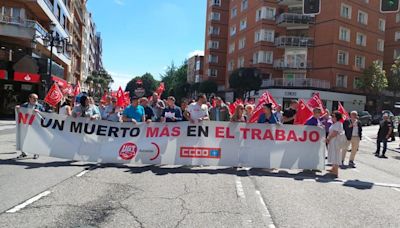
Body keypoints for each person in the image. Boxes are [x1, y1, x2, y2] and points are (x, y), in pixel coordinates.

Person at [326, 111, 344, 178]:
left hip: (335, 141)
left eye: (333, 116)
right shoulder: (335, 123)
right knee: (333, 154)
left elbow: (335, 133)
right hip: (333, 141)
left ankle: (336, 171)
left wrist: (328, 138)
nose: (332, 117)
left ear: (337, 117)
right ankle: (333, 168)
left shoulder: (338, 123)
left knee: (336, 155)